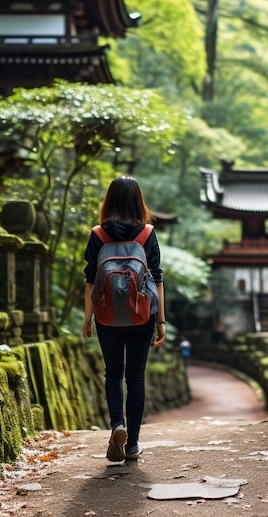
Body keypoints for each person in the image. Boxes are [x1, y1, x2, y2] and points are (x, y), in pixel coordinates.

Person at [82, 175, 167, 463]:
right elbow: (156, 278)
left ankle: (117, 424)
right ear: (138, 201)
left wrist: (87, 318)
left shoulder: (98, 234)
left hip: (107, 315)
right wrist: (161, 322)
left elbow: (90, 279)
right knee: (136, 375)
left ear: (110, 201)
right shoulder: (146, 234)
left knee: (113, 373)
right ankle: (132, 444)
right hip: (142, 313)